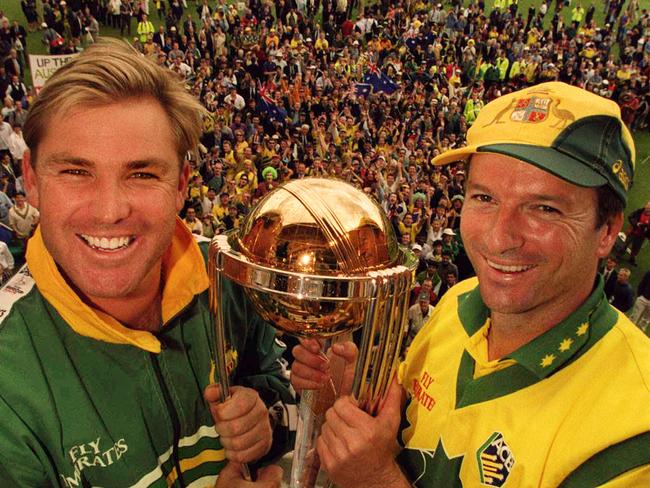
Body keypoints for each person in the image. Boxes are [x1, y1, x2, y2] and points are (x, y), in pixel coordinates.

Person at [290, 82, 650, 487]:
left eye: (544, 208)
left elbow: (378, 471)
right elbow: (403, 428)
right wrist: (356, 392)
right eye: (483, 198)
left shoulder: (632, 433)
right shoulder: (460, 302)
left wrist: (376, 479)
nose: (499, 238)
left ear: (607, 231)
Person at [0, 40, 293, 487]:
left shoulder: (229, 275)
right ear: (33, 181)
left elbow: (275, 384)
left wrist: (264, 418)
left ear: (180, 185)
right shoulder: (8, 381)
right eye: (77, 172)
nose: (110, 210)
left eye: (142, 174)